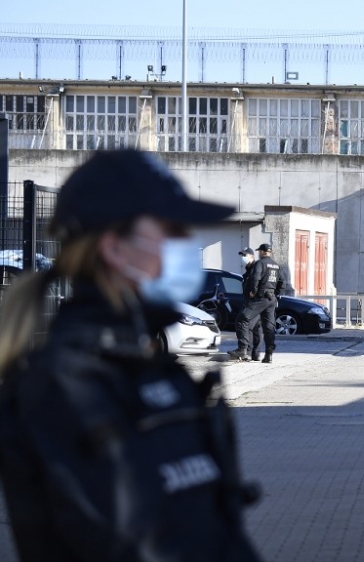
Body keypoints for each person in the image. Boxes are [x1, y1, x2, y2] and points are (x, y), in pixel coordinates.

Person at [0, 149, 263, 561]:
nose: (185, 243)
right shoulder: (66, 384)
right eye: (170, 229)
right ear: (115, 249)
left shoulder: (150, 366)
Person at [230, 243, 285, 363]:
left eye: (259, 251)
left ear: (262, 252)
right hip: (271, 299)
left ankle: (242, 349)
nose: (259, 253)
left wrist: (254, 292)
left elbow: (255, 278)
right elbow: (282, 282)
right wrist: (275, 294)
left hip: (260, 298)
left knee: (242, 319)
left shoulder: (260, 263)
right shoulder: (276, 265)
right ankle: (268, 355)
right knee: (268, 327)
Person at [238, 246, 265, 361]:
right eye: (242, 255)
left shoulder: (255, 269)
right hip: (256, 303)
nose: (243, 258)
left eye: (245, 255)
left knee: (246, 325)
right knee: (257, 329)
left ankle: (247, 352)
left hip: (254, 303)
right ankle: (255, 354)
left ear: (252, 257)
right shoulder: (249, 270)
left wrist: (255, 293)